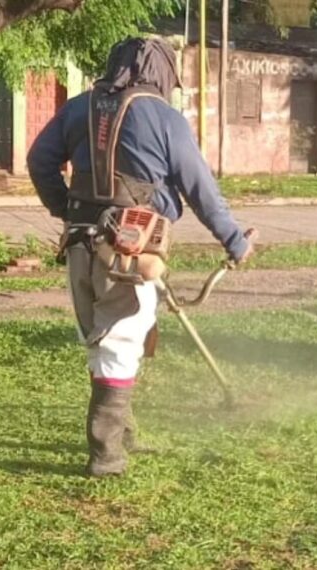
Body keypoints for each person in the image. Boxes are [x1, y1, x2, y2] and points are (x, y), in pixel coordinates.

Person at [27, 37, 254, 477]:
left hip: (79, 245)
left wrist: (66, 209)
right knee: (122, 338)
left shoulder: (78, 107)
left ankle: (120, 430)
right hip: (133, 247)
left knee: (102, 335)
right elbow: (201, 190)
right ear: (163, 73)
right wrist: (234, 240)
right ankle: (106, 453)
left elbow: (39, 161)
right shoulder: (165, 118)